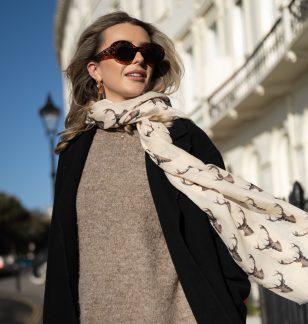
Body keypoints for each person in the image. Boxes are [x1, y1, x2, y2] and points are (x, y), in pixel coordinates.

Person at [43, 11, 251, 324]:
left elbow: (228, 223)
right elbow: (63, 254)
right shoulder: (74, 153)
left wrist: (231, 301)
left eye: (148, 53)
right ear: (95, 70)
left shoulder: (181, 135)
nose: (139, 59)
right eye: (124, 51)